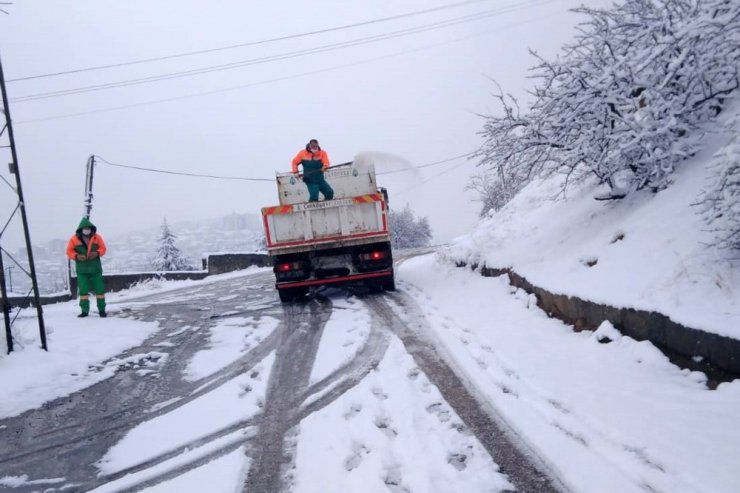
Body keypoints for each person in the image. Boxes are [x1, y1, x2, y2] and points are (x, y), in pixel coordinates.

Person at [66, 217, 108, 318]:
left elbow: (103, 248)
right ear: (80, 229)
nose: (87, 229)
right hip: (82, 270)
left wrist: (97, 253)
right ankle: (84, 311)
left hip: (96, 269)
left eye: (88, 228)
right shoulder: (73, 239)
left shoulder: (97, 237)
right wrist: (76, 256)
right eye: (84, 228)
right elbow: (69, 251)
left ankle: (102, 310)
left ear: (91, 228)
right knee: (83, 291)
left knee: (100, 290)